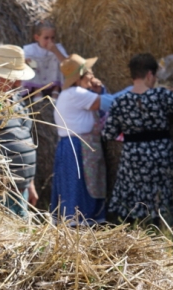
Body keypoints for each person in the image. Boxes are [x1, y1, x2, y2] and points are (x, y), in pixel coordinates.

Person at [103, 53, 173, 225]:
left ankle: (133, 226)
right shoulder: (161, 95)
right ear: (149, 75)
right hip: (159, 154)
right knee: (159, 192)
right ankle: (159, 224)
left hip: (132, 155)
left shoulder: (120, 102)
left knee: (131, 191)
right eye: (154, 77)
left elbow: (108, 133)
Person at [0, 44, 39, 217]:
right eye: (11, 77)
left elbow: (26, 140)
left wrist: (30, 184)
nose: (17, 83)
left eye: (18, 78)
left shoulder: (18, 102)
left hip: (22, 188)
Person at [52, 54, 105, 225]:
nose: (92, 77)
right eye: (89, 73)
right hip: (78, 147)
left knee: (71, 188)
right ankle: (79, 227)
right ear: (79, 77)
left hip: (70, 146)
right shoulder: (77, 93)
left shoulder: (70, 93)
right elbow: (107, 103)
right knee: (79, 190)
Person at [23, 20, 67, 97]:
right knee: (32, 61)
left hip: (52, 77)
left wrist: (56, 51)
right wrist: (27, 61)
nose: (50, 41)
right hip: (38, 75)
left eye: (52, 38)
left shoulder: (58, 48)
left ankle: (55, 90)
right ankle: (37, 91)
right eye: (46, 38)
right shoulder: (30, 49)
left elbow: (67, 63)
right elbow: (22, 61)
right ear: (37, 37)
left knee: (56, 58)